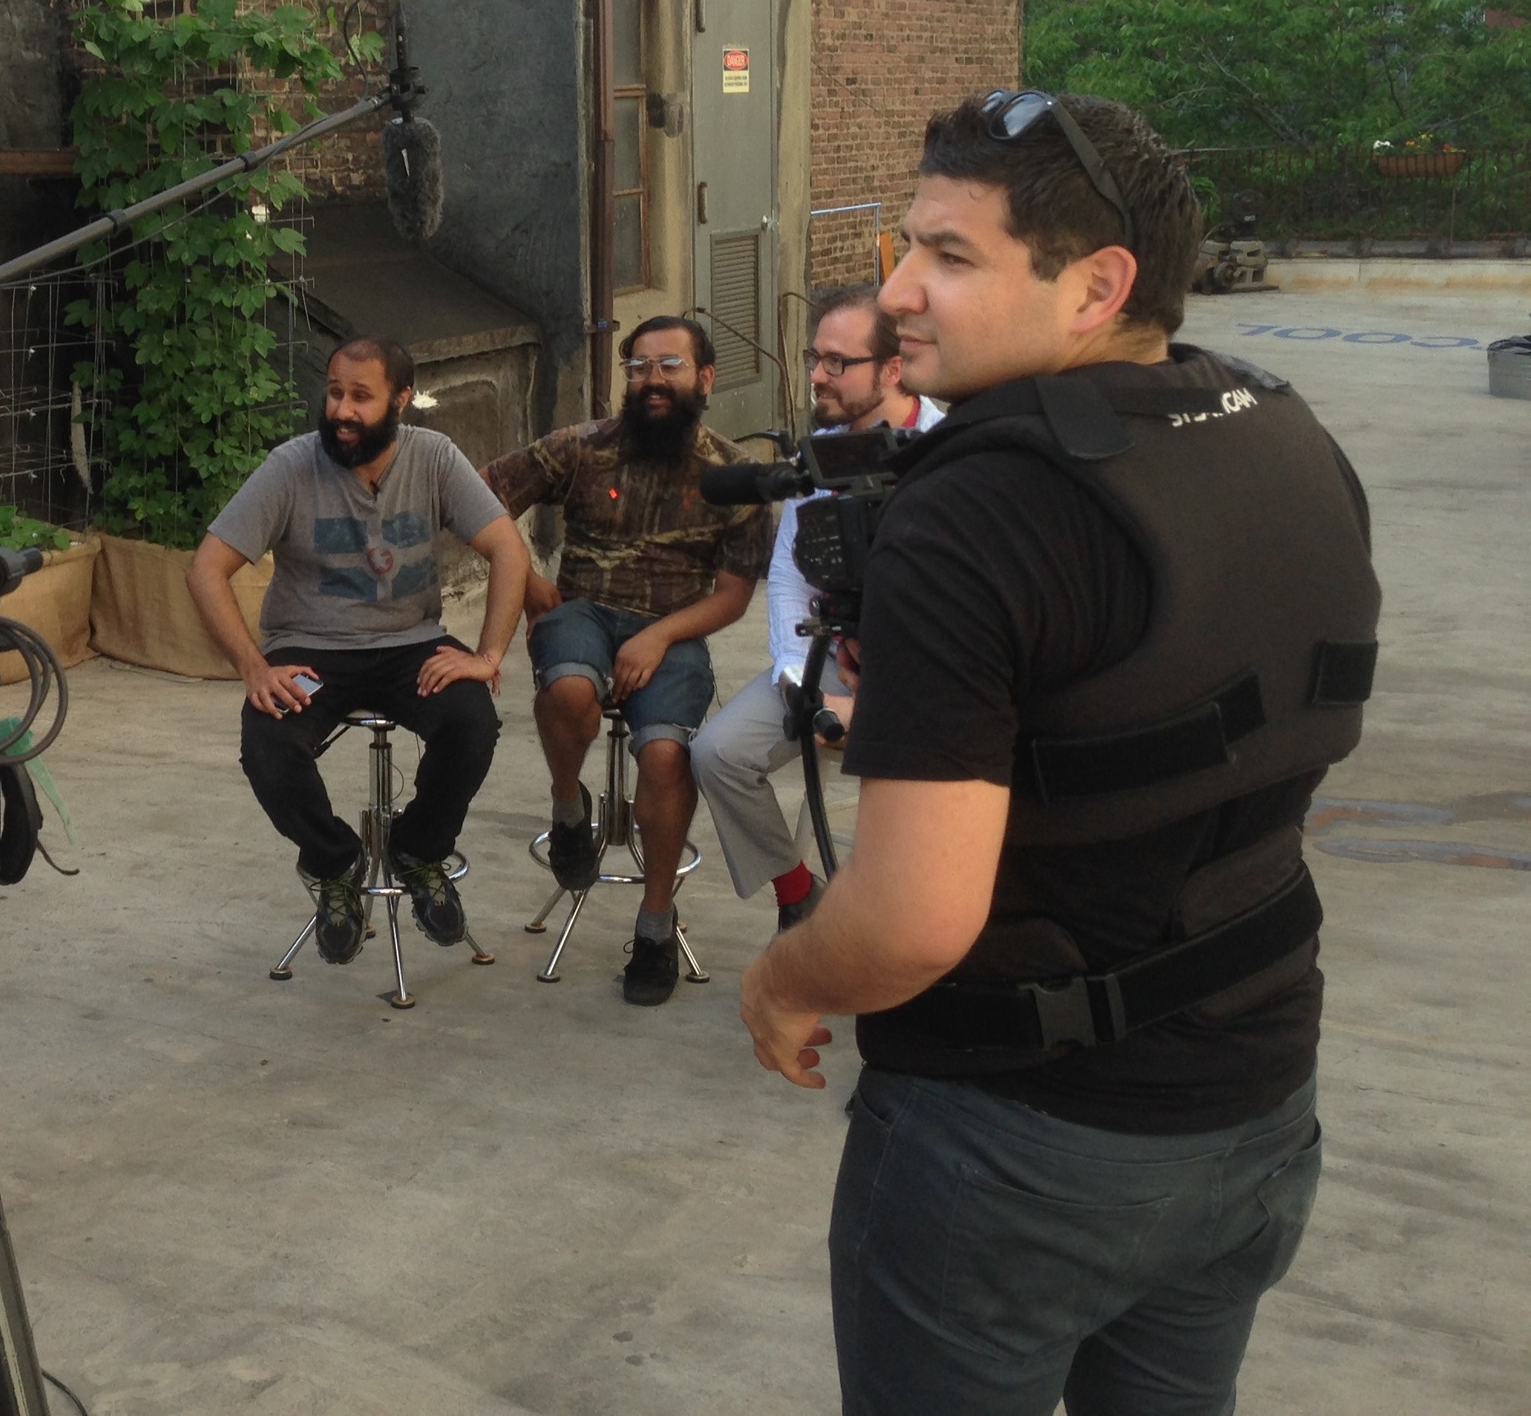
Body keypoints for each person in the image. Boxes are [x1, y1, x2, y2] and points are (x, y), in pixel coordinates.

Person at [737, 92, 1379, 1416]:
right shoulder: (1285, 428)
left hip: (1021, 1143)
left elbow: (911, 921)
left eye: (952, 257)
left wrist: (787, 978)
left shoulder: (976, 510)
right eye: (906, 246)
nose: (900, 289)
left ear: (1098, 284)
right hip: (1257, 1105)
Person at [188, 337, 530, 964]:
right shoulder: (291, 466)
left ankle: (421, 851)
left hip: (411, 643)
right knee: (268, 741)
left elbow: (509, 549)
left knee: (471, 721)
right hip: (311, 650)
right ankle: (334, 862)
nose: (342, 410)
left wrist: (487, 655)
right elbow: (207, 568)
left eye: (361, 397)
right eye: (335, 392)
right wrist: (253, 666)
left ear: (400, 400)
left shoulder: (434, 457)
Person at [480, 317, 774, 1006]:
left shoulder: (732, 476)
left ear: (704, 378)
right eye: (638, 367)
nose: (650, 381)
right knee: (570, 687)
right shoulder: (582, 447)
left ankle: (654, 923)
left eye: (668, 365)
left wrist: (660, 636)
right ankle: (566, 807)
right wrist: (528, 581)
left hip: (674, 625)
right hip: (581, 608)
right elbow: (481, 494)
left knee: (668, 757)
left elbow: (732, 596)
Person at [685, 285, 945, 939]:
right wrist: (798, 671)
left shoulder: (949, 450)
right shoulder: (821, 452)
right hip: (833, 655)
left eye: (838, 362)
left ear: (893, 367)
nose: (819, 376)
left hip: (928, 672)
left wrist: (883, 695)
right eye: (815, 357)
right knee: (718, 752)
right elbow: (790, 572)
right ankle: (799, 893)